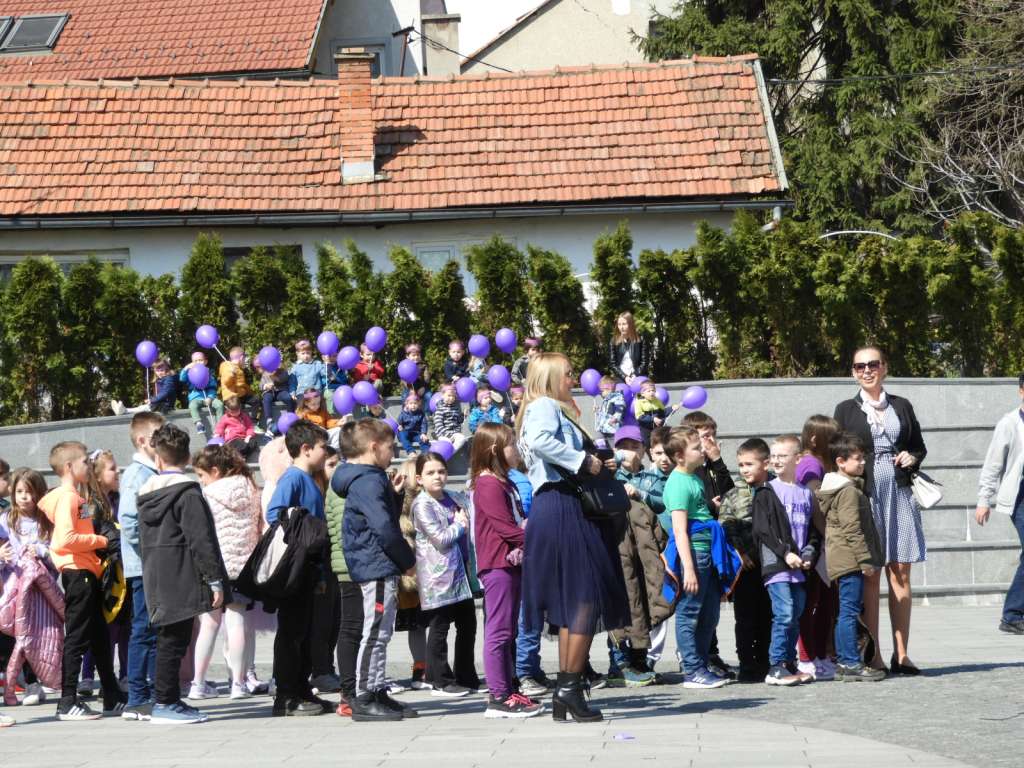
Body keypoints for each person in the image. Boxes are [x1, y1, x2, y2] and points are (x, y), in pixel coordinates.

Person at [517, 352, 629, 723]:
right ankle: (568, 686)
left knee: (573, 602)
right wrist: (584, 462)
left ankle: (569, 687)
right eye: (567, 374)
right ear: (549, 377)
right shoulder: (545, 406)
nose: (573, 379)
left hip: (559, 506)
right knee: (584, 598)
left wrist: (594, 460)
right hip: (564, 508)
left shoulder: (547, 407)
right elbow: (541, 441)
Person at [834, 345, 927, 673]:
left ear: (884, 367)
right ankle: (872, 654)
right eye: (859, 366)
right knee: (870, 574)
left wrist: (911, 457)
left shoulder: (902, 405)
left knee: (901, 571)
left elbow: (918, 445)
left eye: (873, 364)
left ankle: (901, 654)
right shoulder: (845, 409)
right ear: (853, 373)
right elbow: (838, 454)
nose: (866, 370)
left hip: (899, 493)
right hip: (866, 496)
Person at [137, 424, 230, 724]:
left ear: (159, 459)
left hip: (156, 572)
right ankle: (166, 702)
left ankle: (167, 699)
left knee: (168, 638)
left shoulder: (145, 493)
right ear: (188, 457)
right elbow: (201, 539)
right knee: (174, 641)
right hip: (181, 573)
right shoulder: (187, 493)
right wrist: (214, 579)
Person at [330, 418, 418, 722]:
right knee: (375, 632)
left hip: (375, 562)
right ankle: (365, 696)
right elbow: (383, 527)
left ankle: (377, 689)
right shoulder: (368, 480)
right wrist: (407, 560)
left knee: (381, 630)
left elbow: (380, 516)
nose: (392, 453)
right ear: (374, 447)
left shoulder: (368, 478)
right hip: (375, 563)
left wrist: (393, 495)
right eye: (390, 447)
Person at [39, 441, 125, 721]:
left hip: (88, 573)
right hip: (78, 573)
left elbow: (80, 529)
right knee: (77, 637)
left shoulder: (78, 498)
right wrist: (101, 540)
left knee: (99, 637)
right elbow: (65, 539)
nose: (89, 466)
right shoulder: (69, 498)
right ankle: (67, 701)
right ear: (68, 467)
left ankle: (111, 696)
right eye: (85, 462)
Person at [471, 423, 542, 718]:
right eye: (511, 443)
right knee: (498, 632)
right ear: (494, 449)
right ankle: (498, 696)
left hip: (512, 563)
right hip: (497, 565)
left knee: (509, 630)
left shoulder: (506, 481)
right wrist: (540, 540)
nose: (516, 449)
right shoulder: (487, 484)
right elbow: (505, 528)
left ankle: (509, 688)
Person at [265, 420, 331, 717]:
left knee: (304, 631)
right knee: (291, 632)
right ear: (306, 450)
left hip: (311, 568)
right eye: (322, 447)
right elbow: (274, 513)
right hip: (296, 568)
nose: (325, 453)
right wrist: (302, 533)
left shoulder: (310, 480)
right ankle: (286, 695)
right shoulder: (293, 478)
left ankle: (302, 689)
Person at [189, 446, 263, 701]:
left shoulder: (207, 494)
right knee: (237, 623)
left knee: (208, 624)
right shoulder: (251, 488)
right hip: (244, 566)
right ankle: (239, 683)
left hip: (214, 566)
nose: (200, 480)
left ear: (215, 471)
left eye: (201, 474)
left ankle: (197, 683)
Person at [815, 432, 886, 682]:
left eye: (863, 457)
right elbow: (852, 528)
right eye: (857, 459)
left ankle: (847, 662)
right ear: (840, 462)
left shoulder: (847, 488)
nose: (863, 462)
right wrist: (865, 560)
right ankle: (849, 662)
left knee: (847, 610)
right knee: (848, 611)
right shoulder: (847, 492)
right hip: (849, 559)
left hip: (845, 558)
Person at [663, 426, 729, 690]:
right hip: (695, 553)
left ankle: (702, 664)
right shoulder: (678, 482)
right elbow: (679, 530)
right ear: (680, 456)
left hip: (707, 551)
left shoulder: (694, 478)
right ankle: (692, 669)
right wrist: (688, 569)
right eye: (695, 448)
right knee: (689, 612)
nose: (702, 451)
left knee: (709, 614)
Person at [753, 434, 821, 687]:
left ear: (798, 458)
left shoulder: (805, 493)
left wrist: (808, 554)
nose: (777, 460)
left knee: (797, 612)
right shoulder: (767, 491)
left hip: (799, 567)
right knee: (784, 613)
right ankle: (776, 665)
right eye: (774, 457)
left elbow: (812, 532)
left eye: (783, 456)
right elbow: (763, 530)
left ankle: (790, 663)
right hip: (777, 564)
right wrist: (786, 553)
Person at [411, 452, 479, 697]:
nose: (437, 476)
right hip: (438, 577)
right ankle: (439, 679)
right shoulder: (422, 504)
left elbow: (473, 501)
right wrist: (460, 525)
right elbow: (440, 539)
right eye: (430, 473)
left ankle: (466, 676)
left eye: (441, 471)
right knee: (439, 628)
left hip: (462, 575)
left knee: (468, 624)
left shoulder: (452, 497)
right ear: (419, 478)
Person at [118, 412, 165, 721]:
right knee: (143, 631)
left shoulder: (150, 472)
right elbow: (129, 521)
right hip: (142, 566)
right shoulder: (137, 474)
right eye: (159, 436)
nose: (164, 442)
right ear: (142, 440)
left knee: (151, 629)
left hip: (150, 564)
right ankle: (137, 696)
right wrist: (151, 551)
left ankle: (147, 692)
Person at [0, 467, 59, 707]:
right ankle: (22, 680)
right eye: (20, 491)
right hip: (13, 588)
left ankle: (35, 682)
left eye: (30, 492)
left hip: (39, 589)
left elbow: (56, 552)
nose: (24, 497)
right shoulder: (6, 519)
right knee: (13, 635)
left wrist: (42, 552)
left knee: (35, 636)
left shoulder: (46, 520)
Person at [719, 438, 774, 683]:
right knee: (745, 618)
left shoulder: (776, 489)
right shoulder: (733, 494)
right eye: (741, 465)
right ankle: (747, 664)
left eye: (749, 464)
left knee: (768, 615)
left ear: (766, 463)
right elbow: (726, 526)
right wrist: (739, 552)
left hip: (772, 565)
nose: (744, 469)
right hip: (745, 567)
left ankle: (764, 660)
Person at [975, 373, 1024, 635]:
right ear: (1021, 391)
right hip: (1021, 497)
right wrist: (984, 500)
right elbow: (993, 464)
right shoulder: (1009, 423)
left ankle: (1015, 613)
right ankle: (1012, 614)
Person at [79, 449, 129, 697]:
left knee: (122, 626)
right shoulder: (88, 505)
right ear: (97, 476)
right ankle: (90, 675)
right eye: (112, 468)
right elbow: (83, 531)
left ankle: (125, 676)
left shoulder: (120, 499)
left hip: (120, 571)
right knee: (100, 627)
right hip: (101, 572)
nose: (117, 471)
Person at [794, 415, 840, 681]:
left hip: (818, 541)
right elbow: (814, 505)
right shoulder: (811, 465)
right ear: (815, 438)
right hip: (814, 542)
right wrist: (828, 536)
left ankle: (819, 654)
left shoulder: (816, 463)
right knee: (815, 602)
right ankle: (809, 656)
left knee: (822, 602)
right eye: (830, 438)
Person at [111, 359, 178, 416]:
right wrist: (152, 399)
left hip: (166, 406)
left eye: (162, 370)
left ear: (166, 369)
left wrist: (152, 400)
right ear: (154, 371)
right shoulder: (160, 379)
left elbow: (165, 392)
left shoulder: (169, 379)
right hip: (161, 405)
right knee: (143, 408)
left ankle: (125, 410)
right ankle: (124, 410)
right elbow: (160, 394)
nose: (160, 373)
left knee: (145, 408)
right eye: (157, 370)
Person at [180, 351, 224, 434]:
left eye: (200, 360)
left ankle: (220, 426)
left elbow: (212, 387)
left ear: (205, 361)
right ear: (192, 363)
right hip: (196, 397)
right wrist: (186, 368)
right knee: (192, 405)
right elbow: (182, 378)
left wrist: (210, 398)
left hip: (208, 397)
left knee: (219, 404)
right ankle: (198, 423)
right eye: (195, 361)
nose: (198, 362)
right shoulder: (190, 373)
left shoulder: (208, 373)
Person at [219, 347, 260, 424]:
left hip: (240, 394)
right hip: (231, 397)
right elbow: (226, 382)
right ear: (241, 358)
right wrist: (231, 374)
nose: (245, 361)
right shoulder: (227, 366)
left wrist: (251, 392)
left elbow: (242, 384)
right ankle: (241, 426)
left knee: (256, 400)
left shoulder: (239, 368)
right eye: (244, 359)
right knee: (240, 408)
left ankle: (253, 422)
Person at [608, 312, 649, 385]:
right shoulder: (613, 341)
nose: (621, 327)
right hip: (620, 378)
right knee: (618, 394)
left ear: (631, 324)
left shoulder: (641, 339)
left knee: (643, 393)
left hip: (638, 377)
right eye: (619, 324)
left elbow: (644, 363)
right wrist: (625, 377)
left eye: (624, 324)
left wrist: (635, 375)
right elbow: (613, 364)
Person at [258, 359, 294, 434]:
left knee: (287, 397)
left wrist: (274, 376)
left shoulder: (283, 371)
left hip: (281, 391)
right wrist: (265, 386)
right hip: (270, 392)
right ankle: (269, 420)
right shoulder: (265, 372)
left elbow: (284, 379)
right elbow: (260, 385)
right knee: (266, 398)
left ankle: (291, 416)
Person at [431, 384, 467, 453]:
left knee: (462, 438)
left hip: (454, 433)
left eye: (453, 396)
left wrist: (463, 415)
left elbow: (458, 421)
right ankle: (449, 451)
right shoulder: (440, 409)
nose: (451, 398)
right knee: (447, 442)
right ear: (443, 396)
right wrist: (448, 435)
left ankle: (451, 452)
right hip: (443, 434)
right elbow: (439, 425)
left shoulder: (455, 408)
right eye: (449, 395)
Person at [594, 375, 626, 447]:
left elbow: (620, 408)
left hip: (612, 429)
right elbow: (605, 414)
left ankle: (616, 455)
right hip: (602, 428)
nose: (601, 393)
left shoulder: (617, 397)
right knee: (598, 443)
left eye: (602, 391)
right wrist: (598, 411)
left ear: (608, 388)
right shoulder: (606, 400)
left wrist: (616, 418)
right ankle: (602, 454)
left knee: (614, 446)